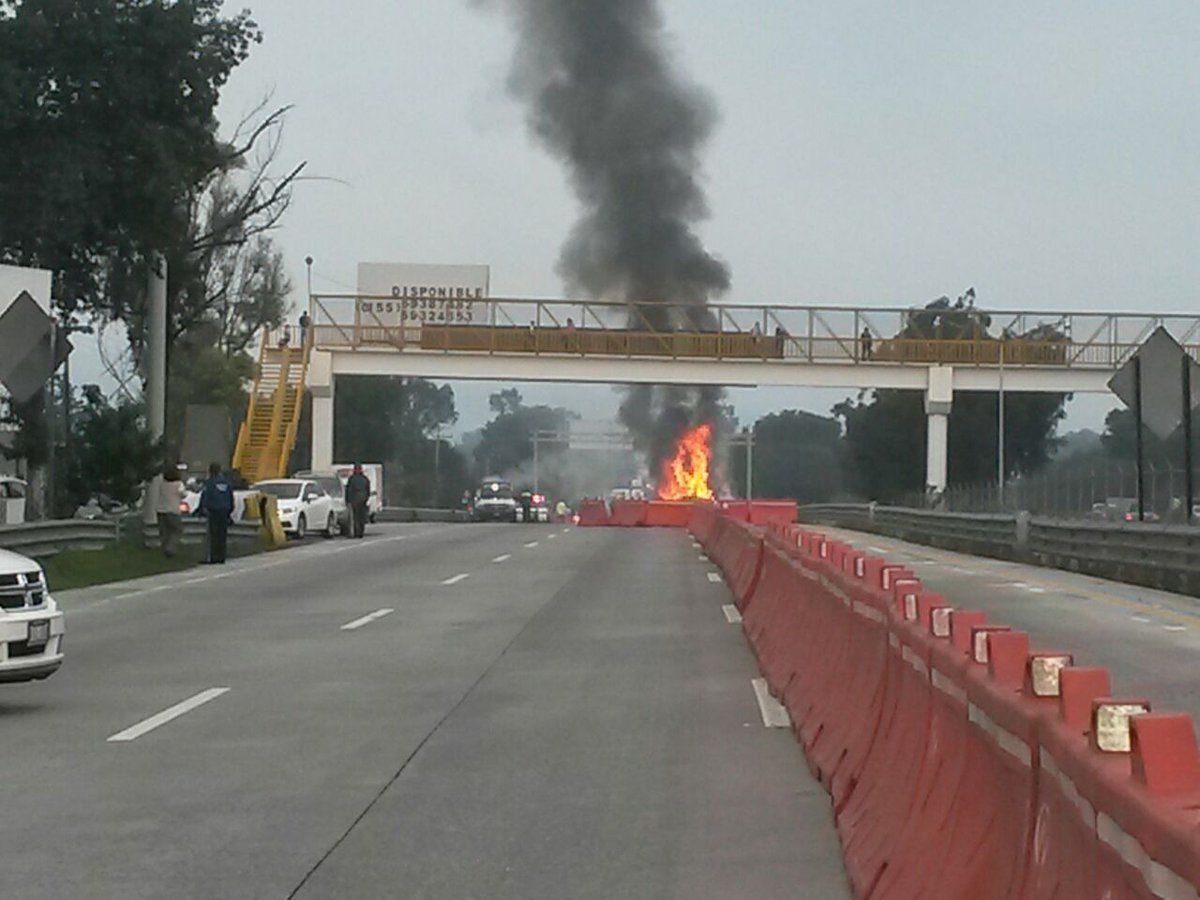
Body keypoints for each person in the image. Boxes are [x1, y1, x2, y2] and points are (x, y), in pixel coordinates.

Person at [198, 462, 234, 563]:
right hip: (225, 510)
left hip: (213, 510)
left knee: (213, 534)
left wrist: (202, 509)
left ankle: (214, 557)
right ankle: (221, 556)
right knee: (222, 534)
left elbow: (205, 496)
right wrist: (230, 510)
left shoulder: (209, 483)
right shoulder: (226, 483)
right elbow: (231, 497)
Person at [155, 464, 185, 558]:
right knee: (177, 530)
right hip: (173, 510)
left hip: (160, 510)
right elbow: (183, 494)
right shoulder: (178, 484)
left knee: (164, 531)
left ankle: (164, 550)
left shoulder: (162, 484)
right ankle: (170, 548)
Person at [344, 463, 372, 538]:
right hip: (363, 499)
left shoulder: (352, 479)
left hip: (354, 500)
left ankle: (356, 532)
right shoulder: (365, 479)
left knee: (355, 517)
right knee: (361, 517)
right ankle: (360, 532)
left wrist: (347, 500)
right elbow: (368, 490)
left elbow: (348, 490)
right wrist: (366, 498)